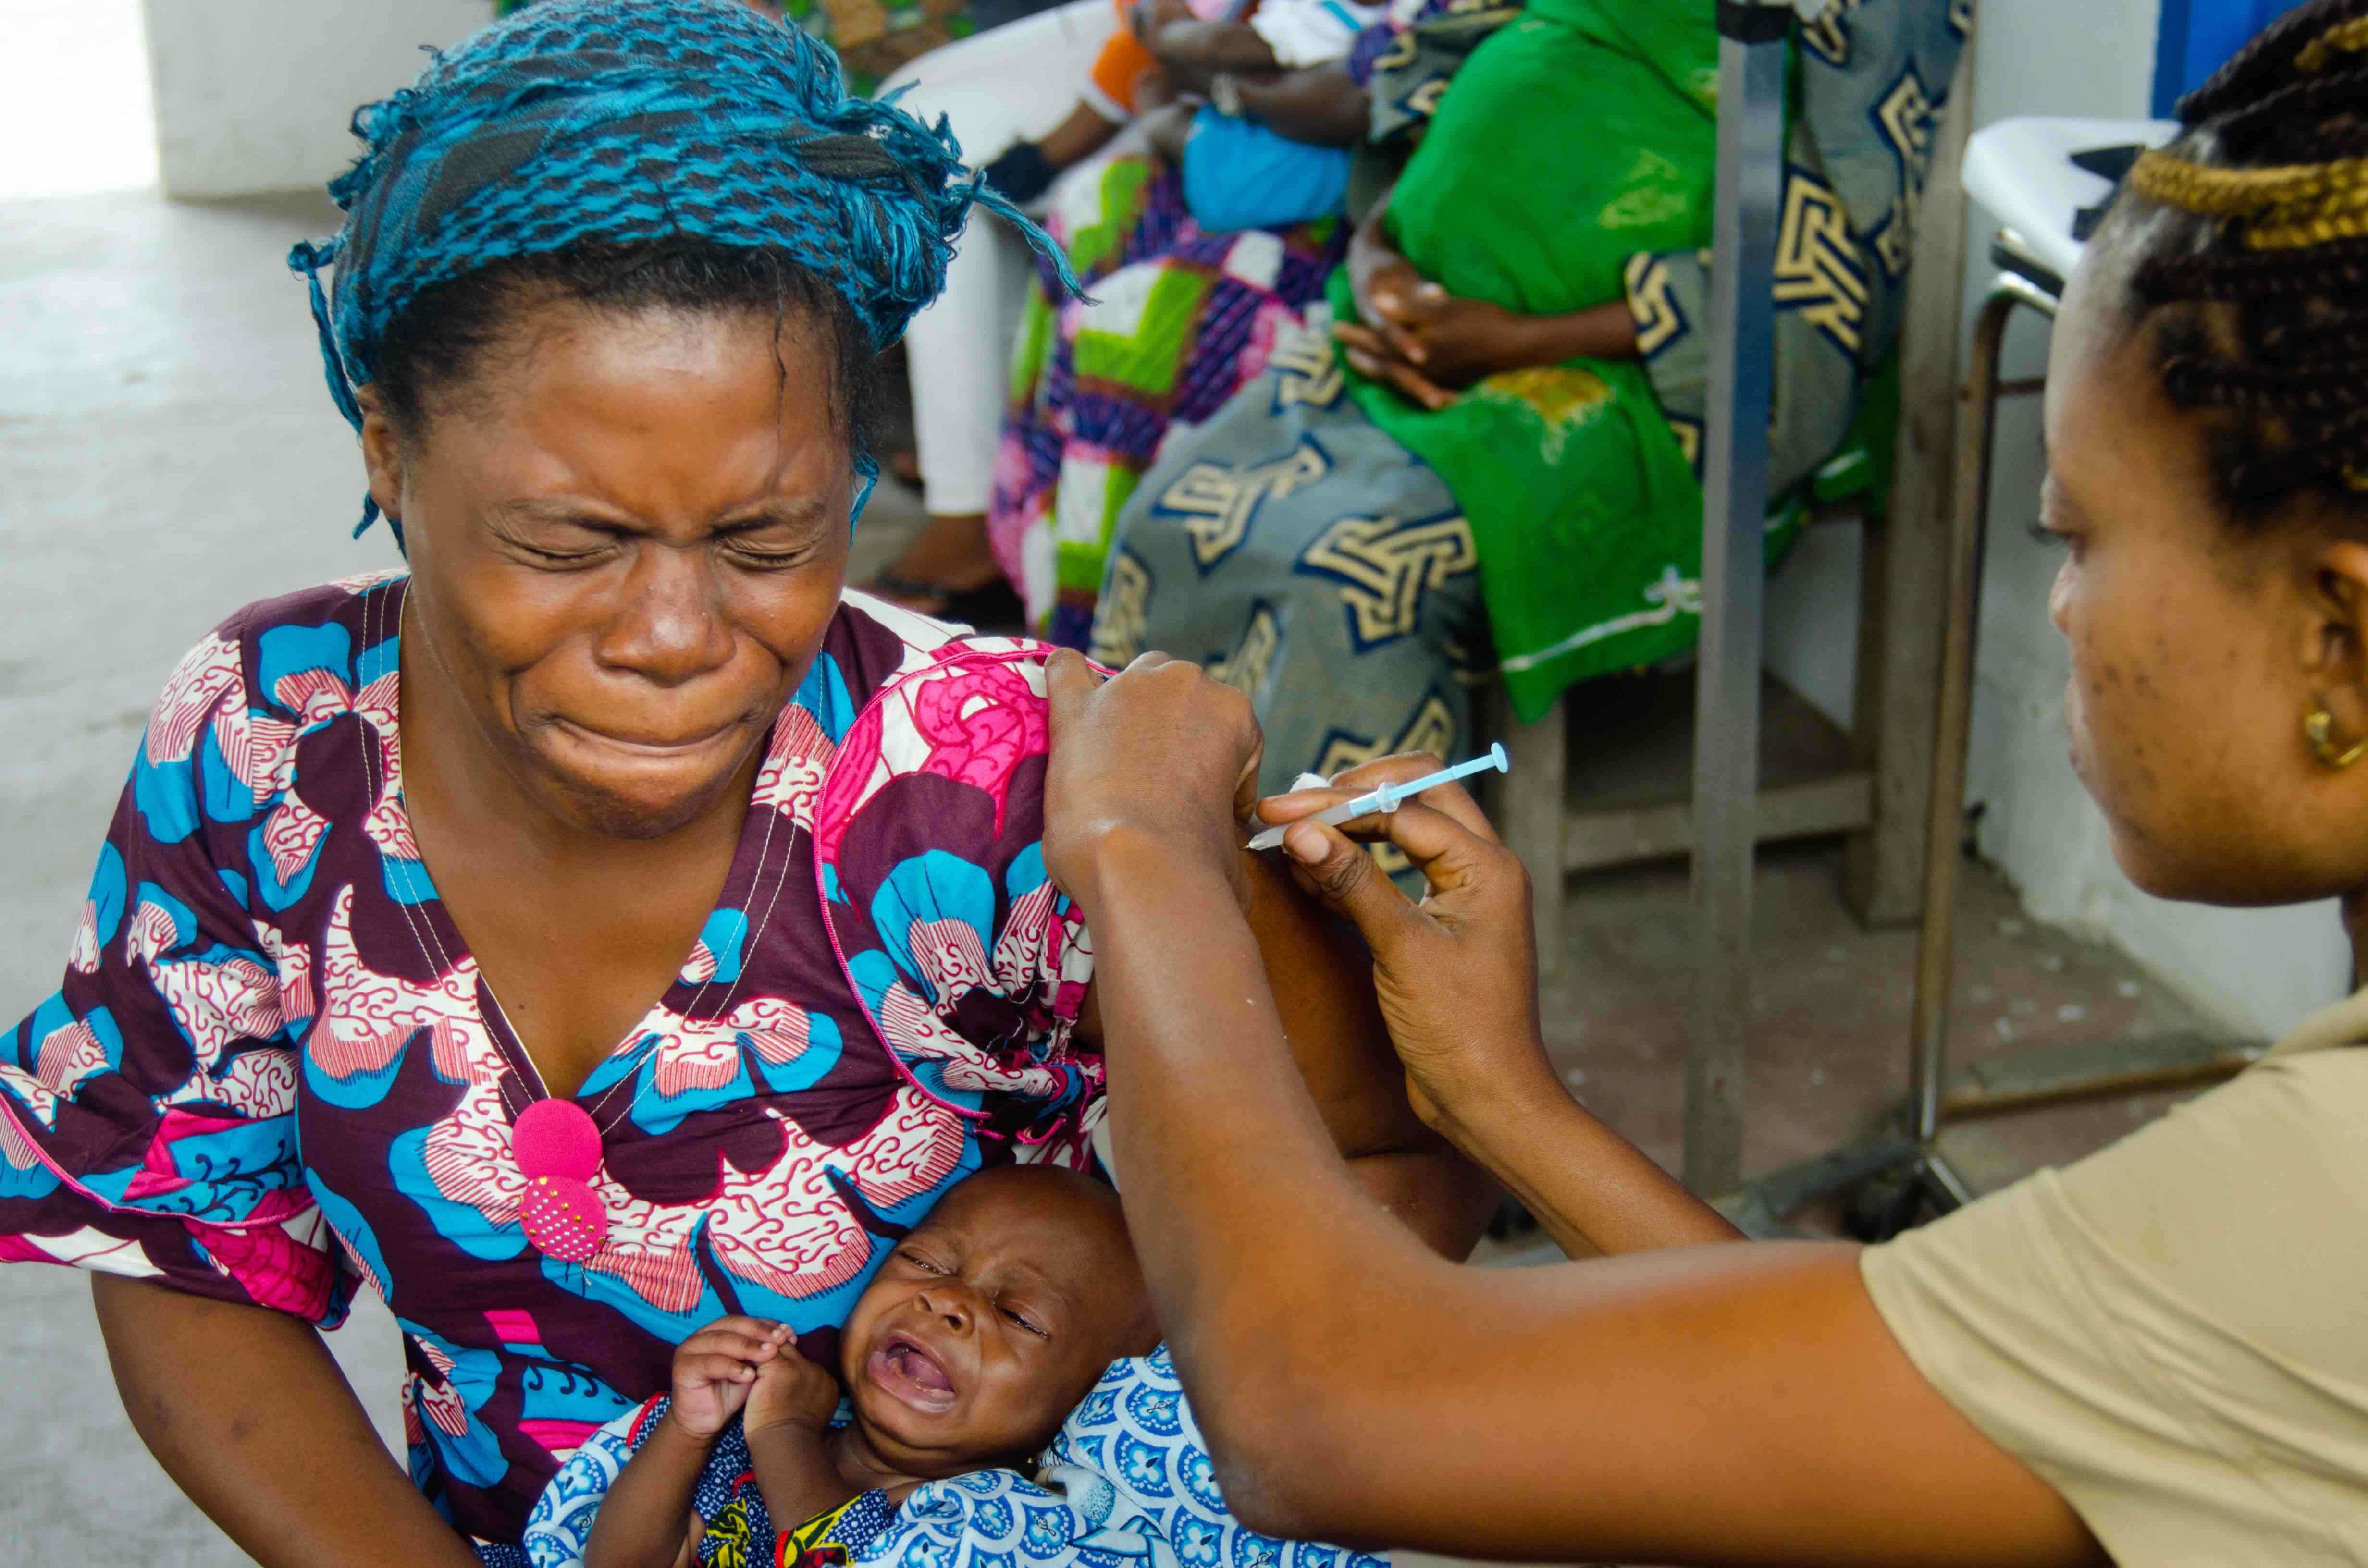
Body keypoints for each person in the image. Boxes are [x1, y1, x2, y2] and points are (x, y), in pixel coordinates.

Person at [0, 5, 1490, 1563]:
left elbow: (1388, 1176)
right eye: (567, 543)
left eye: (765, 543)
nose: (672, 638)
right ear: (387, 447)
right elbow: (186, 1242)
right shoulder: (260, 741)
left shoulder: (1001, 785)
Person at [1034, 2, 2368, 1561]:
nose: (2059, 607)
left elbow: (1314, 1411)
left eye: (2070, 534)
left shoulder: (2311, 1203)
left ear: (2335, 637)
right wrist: (1499, 1099)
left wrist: (1139, 845)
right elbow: (1861, 1398)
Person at [1085, 0, 1940, 789]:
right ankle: (1158, 874)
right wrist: (1379, 265)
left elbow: (1825, 280)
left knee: (1342, 586)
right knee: (1166, 513)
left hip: (1641, 374)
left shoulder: (1858, 23)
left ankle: (1341, 930)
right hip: (1410, 317)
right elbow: (1420, 89)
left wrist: (1514, 341)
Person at [567, 1165, 1159, 1568]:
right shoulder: (737, 1446)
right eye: (925, 1262)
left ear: (1083, 1401)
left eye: (1018, 1316)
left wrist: (785, 1435)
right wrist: (688, 1431)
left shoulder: (1002, 1525)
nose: (948, 1300)